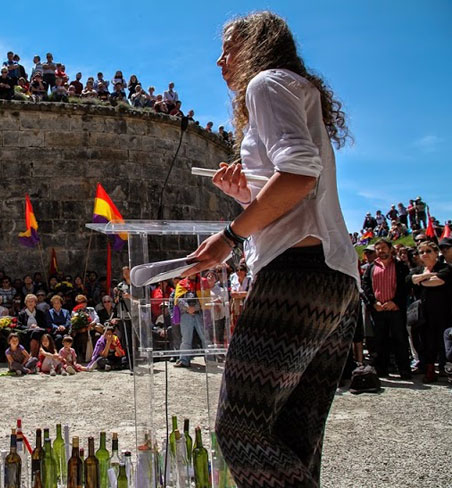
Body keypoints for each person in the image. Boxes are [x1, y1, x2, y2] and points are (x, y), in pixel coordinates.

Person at [184, 12, 360, 487]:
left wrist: (230, 235)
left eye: (229, 46)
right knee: (293, 436)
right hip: (334, 276)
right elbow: (299, 187)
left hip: (298, 273)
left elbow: (300, 175)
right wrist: (247, 193)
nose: (220, 60)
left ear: (257, 45)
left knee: (239, 427)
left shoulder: (265, 82)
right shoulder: (294, 88)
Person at [361, 239, 411, 379]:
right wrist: (373, 302)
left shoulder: (400, 266)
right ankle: (381, 370)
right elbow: (365, 286)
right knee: (380, 341)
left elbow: (405, 286)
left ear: (390, 249)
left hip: (395, 309)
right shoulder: (371, 267)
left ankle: (404, 370)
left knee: (399, 339)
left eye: (383, 248)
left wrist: (395, 302)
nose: (381, 251)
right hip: (378, 310)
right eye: (378, 249)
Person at [407, 241, 451, 383]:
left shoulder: (445, 268)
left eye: (428, 251)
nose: (424, 254)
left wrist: (421, 280)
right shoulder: (418, 269)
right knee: (426, 342)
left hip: (443, 312)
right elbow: (410, 280)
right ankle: (430, 370)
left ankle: (447, 369)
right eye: (422, 252)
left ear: (436, 253)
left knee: (444, 342)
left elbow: (437, 281)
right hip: (423, 315)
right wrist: (426, 276)